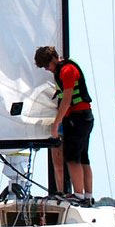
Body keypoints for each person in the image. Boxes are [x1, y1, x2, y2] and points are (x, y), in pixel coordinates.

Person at [34, 45, 95, 205]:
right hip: (84, 118)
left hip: (77, 118)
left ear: (53, 60)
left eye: (47, 66)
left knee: (72, 158)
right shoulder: (65, 68)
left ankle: (79, 195)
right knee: (83, 158)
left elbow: (67, 100)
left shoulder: (66, 70)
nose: (47, 69)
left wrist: (56, 124)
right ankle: (87, 195)